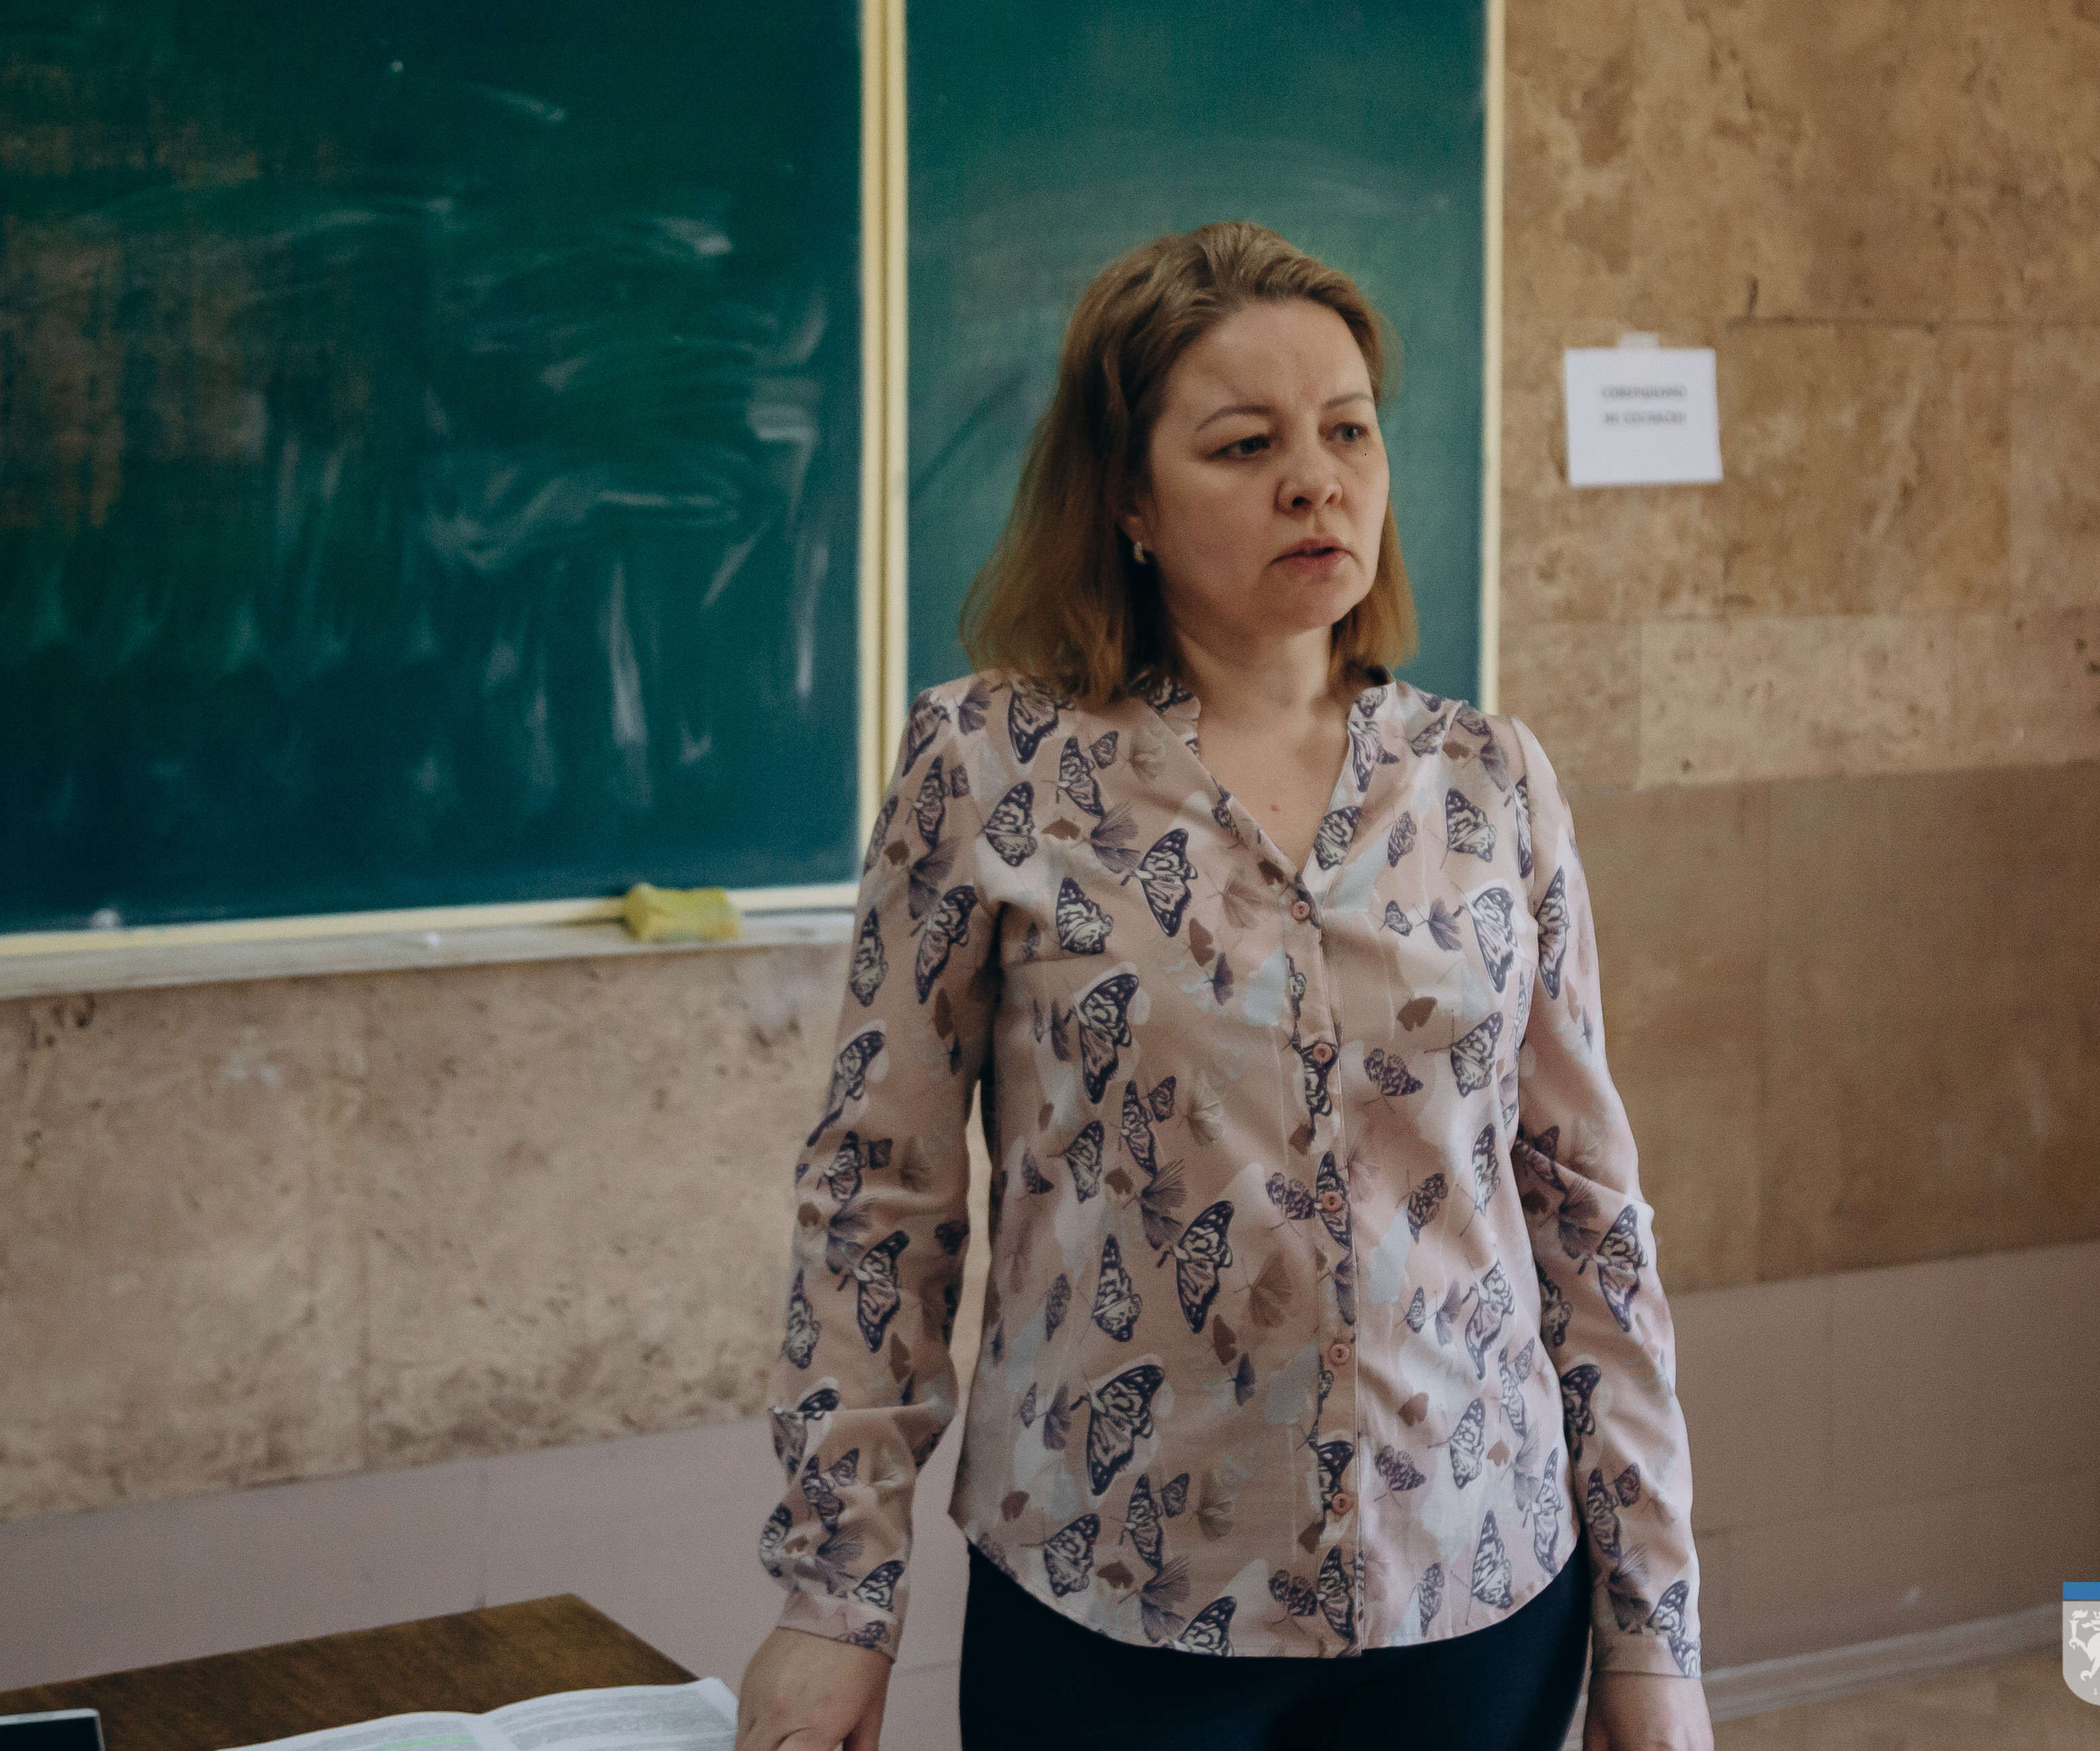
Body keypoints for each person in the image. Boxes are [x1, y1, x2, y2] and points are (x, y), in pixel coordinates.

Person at [734, 222, 1714, 1751]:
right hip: (1113, 1592)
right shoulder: (989, 771)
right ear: (1127, 499)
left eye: (1348, 432)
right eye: (1247, 444)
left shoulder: (1489, 782)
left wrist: (1654, 1632)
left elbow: (1587, 1212)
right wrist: (833, 1597)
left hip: (1475, 1586)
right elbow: (880, 1198)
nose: (1316, 480)